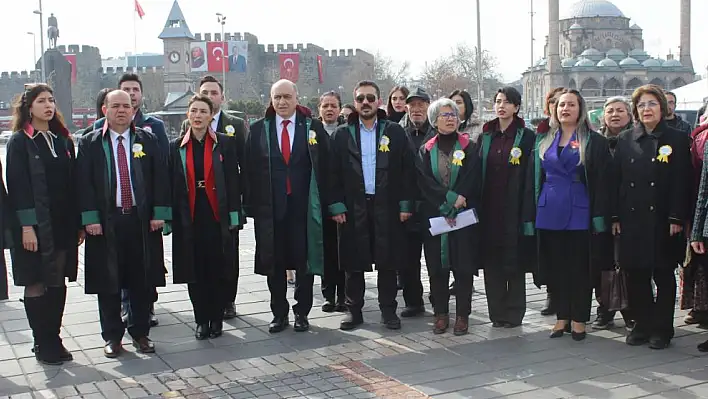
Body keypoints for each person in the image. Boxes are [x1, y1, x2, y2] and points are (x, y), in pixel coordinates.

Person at [77, 90, 171, 357]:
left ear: (133, 110)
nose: (121, 110)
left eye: (126, 106)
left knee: (141, 280)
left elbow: (161, 178)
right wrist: (90, 219)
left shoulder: (147, 140)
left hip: (141, 222)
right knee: (108, 282)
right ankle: (112, 337)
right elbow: (83, 185)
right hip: (106, 223)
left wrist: (159, 213)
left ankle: (140, 333)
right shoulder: (91, 143)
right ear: (104, 109)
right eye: (115, 105)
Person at [524, 89, 613, 341]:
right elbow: (534, 180)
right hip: (549, 209)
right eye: (561, 105)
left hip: (579, 210)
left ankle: (579, 319)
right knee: (555, 268)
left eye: (571, 105)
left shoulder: (594, 141)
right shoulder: (543, 140)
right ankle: (561, 317)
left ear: (580, 109)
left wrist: (600, 216)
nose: (565, 109)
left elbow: (602, 183)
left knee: (579, 268)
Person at [243, 80, 330, 333]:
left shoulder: (312, 128)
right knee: (275, 262)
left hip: (303, 207)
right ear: (271, 100)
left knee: (304, 261)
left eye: (286, 97)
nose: (281, 102)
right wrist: (250, 206)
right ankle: (278, 313)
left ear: (296, 98)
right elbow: (249, 170)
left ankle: (302, 312)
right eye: (276, 97)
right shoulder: (260, 129)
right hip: (271, 208)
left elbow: (326, 166)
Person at [329, 80, 417, 331]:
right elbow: (332, 173)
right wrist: (336, 205)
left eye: (370, 98)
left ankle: (388, 310)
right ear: (355, 103)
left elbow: (407, 170)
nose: (365, 103)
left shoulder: (394, 132)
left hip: (387, 206)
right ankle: (353, 310)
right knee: (352, 262)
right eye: (360, 99)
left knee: (388, 261)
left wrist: (405, 204)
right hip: (353, 206)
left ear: (379, 101)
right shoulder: (342, 134)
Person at [6, 84, 80, 365]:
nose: (48, 105)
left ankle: (54, 336)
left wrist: (78, 224)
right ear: (29, 107)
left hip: (61, 223)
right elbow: (18, 186)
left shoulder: (62, 140)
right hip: (35, 226)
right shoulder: (20, 142)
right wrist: (27, 226)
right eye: (41, 101)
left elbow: (71, 183)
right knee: (36, 280)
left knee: (58, 278)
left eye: (51, 100)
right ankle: (42, 340)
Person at [614, 84, 691, 349]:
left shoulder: (678, 138)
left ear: (663, 107)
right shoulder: (625, 139)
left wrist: (676, 217)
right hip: (633, 218)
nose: (646, 109)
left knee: (663, 274)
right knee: (636, 275)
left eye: (652, 104)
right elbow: (618, 180)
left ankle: (662, 329)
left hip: (663, 220)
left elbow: (683, 182)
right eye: (642, 105)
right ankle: (641, 324)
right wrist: (616, 216)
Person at [170, 95, 241, 340]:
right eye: (194, 111)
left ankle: (216, 318)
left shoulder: (224, 144)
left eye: (203, 111)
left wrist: (234, 215)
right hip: (189, 216)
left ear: (212, 115)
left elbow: (233, 181)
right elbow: (170, 184)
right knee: (194, 270)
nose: (198, 115)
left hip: (217, 215)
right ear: (187, 115)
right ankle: (201, 320)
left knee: (218, 268)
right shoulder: (176, 146)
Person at [181, 75, 248, 320]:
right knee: (197, 260)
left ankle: (226, 301)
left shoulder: (234, 128)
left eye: (213, 93)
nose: (209, 97)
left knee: (227, 256)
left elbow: (241, 168)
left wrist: (239, 204)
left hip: (223, 204)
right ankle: (203, 312)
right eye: (204, 93)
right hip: (194, 207)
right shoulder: (181, 137)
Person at [417, 98, 482, 335]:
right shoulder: (426, 149)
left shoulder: (470, 146)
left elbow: (473, 176)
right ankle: (441, 314)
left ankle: (463, 315)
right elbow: (424, 182)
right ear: (434, 120)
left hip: (463, 217)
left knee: (463, 268)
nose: (450, 118)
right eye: (444, 115)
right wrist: (446, 202)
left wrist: (459, 199)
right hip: (436, 217)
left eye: (453, 114)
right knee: (437, 268)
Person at [479, 87, 536, 328]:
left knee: (513, 261)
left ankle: (514, 312)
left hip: (515, 207)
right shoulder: (486, 136)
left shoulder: (526, 136)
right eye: (498, 101)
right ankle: (497, 312)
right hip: (489, 208)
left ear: (516, 107)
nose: (501, 106)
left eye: (507, 102)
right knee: (492, 262)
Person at [398, 88, 434, 317]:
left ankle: (438, 298)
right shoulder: (398, 133)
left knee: (435, 259)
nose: (417, 109)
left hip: (432, 205)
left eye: (422, 104)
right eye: (413, 105)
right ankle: (413, 301)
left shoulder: (438, 133)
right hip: (407, 206)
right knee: (408, 258)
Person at [318, 91, 346, 312]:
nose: (329, 109)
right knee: (326, 249)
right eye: (325, 105)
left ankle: (345, 295)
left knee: (344, 249)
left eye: (333, 105)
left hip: (344, 200)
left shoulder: (346, 132)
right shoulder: (313, 132)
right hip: (319, 199)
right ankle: (328, 294)